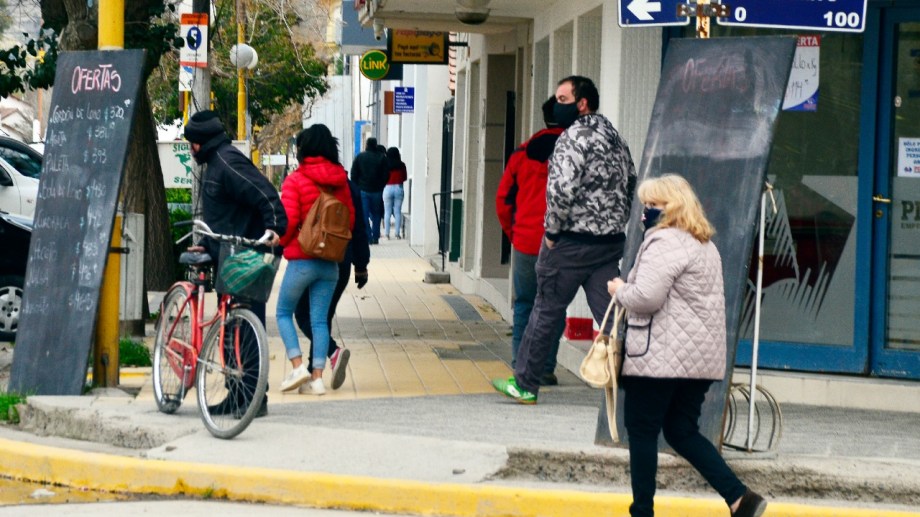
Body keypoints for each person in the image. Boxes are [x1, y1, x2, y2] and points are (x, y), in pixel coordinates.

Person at [607, 174, 767, 517]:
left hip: (659, 358)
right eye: (645, 204)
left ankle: (642, 511)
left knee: (642, 430)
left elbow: (646, 297)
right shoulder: (704, 244)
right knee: (681, 430)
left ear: (674, 206)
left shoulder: (663, 241)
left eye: (654, 204)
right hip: (697, 360)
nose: (646, 211)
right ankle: (740, 498)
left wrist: (619, 290)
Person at [491, 75, 637, 404]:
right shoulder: (615, 137)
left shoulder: (572, 138)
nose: (557, 105)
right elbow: (631, 181)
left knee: (545, 309)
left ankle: (525, 383)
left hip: (570, 242)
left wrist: (553, 233)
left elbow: (560, 191)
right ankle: (637, 385)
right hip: (609, 243)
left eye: (563, 99)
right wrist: (616, 221)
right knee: (612, 316)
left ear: (582, 103)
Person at [184, 110, 287, 418]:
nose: (190, 149)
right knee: (230, 329)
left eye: (191, 144)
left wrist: (275, 227)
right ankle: (236, 393)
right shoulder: (216, 164)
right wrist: (206, 244)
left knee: (246, 329)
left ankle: (254, 397)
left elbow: (265, 194)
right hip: (229, 257)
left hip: (246, 258)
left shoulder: (228, 162)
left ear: (200, 143)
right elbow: (224, 216)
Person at [275, 124, 355, 395]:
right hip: (331, 264)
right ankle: (317, 380)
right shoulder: (341, 181)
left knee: (283, 312)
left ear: (303, 150)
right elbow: (350, 221)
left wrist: (279, 242)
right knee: (320, 321)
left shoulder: (295, 180)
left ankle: (298, 366)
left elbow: (289, 222)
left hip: (302, 260)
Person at [495, 96, 565, 386]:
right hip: (562, 244)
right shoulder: (578, 154)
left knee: (524, 303)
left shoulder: (521, 154)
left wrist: (515, 234)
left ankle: (520, 364)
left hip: (525, 241)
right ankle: (545, 367)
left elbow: (503, 200)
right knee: (554, 305)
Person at [294, 175, 370, 392]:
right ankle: (314, 374)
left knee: (303, 313)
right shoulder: (349, 187)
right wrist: (361, 265)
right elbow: (359, 227)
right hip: (341, 259)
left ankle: (332, 352)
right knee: (322, 317)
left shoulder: (306, 181)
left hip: (312, 256)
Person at [350, 137, 389, 244]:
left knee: (364, 214)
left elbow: (353, 173)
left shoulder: (360, 157)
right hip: (377, 191)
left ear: (366, 145)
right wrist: (381, 185)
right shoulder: (381, 158)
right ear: (375, 145)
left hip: (363, 190)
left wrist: (357, 186)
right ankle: (376, 236)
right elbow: (386, 174)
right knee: (376, 214)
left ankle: (368, 236)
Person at [382, 146, 407, 240]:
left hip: (387, 188)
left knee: (387, 212)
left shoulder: (385, 165)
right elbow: (404, 177)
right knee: (397, 212)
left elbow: (382, 177)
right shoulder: (402, 165)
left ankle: (387, 234)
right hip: (398, 187)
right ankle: (397, 234)